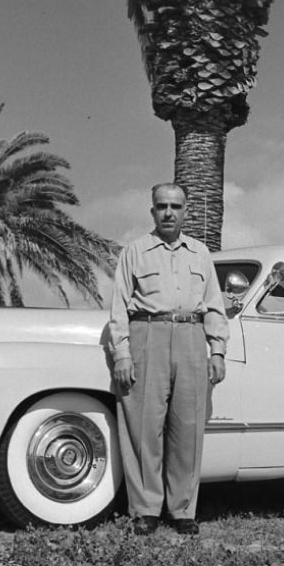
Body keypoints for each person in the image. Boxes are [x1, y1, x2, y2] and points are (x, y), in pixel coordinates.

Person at [109, 182, 228, 535]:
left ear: (186, 211)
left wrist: (217, 350)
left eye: (176, 206)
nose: (169, 213)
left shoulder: (201, 253)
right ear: (152, 211)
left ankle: (182, 510)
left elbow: (214, 306)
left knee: (188, 428)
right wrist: (122, 354)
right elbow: (118, 307)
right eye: (162, 206)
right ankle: (146, 508)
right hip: (148, 334)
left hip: (191, 338)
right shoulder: (135, 251)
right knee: (145, 427)